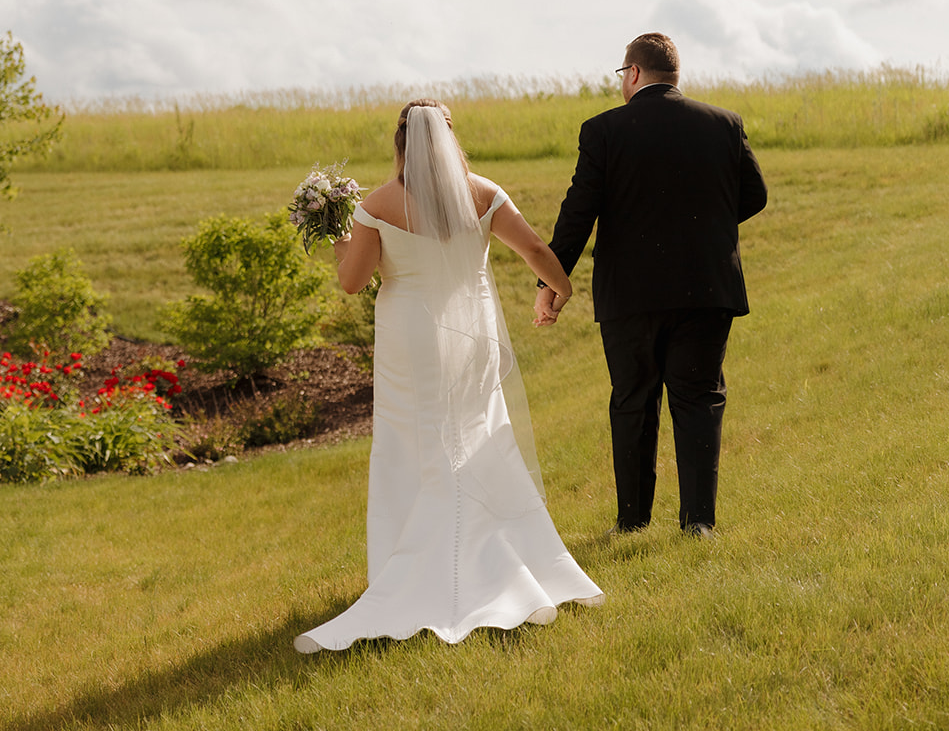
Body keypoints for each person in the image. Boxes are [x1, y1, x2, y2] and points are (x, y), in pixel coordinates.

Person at [295, 99, 602, 652]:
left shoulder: (378, 205)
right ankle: (496, 555)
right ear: (449, 140)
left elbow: (352, 281)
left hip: (410, 340)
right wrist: (562, 288)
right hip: (472, 336)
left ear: (401, 143)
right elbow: (534, 247)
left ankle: (417, 562)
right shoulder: (484, 192)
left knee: (414, 441)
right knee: (477, 435)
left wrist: (339, 235)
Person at [535, 33, 767, 538]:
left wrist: (551, 280)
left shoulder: (603, 131)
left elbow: (579, 212)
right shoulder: (724, 124)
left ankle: (632, 521)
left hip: (629, 292)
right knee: (700, 396)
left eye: (622, 75)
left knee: (633, 399)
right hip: (706, 288)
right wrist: (703, 229)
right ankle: (699, 523)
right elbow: (754, 195)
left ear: (633, 73)